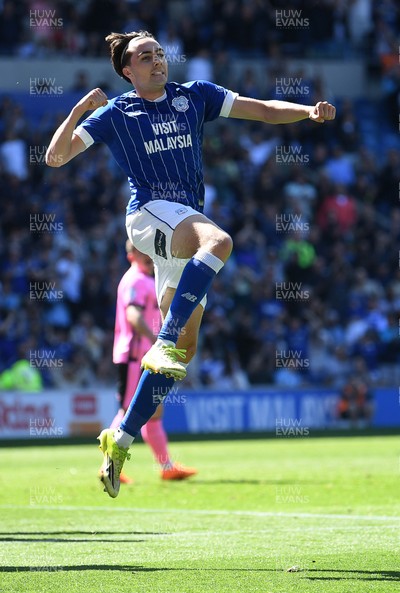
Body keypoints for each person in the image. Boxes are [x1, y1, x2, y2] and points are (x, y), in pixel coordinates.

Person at [46, 30, 336, 498]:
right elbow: (55, 158)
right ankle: (160, 342)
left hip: (181, 230)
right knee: (219, 241)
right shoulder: (117, 112)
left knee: (183, 351)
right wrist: (80, 110)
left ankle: (118, 440)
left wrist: (307, 111)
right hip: (148, 218)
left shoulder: (194, 97)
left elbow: (259, 109)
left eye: (159, 53)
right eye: (145, 56)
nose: (158, 60)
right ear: (127, 70)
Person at [111, 239, 197, 482]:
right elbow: (132, 314)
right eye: (140, 251)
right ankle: (108, 463)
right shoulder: (135, 280)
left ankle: (166, 466)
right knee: (129, 409)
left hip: (146, 354)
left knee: (153, 410)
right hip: (134, 354)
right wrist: (158, 339)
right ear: (131, 256)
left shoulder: (147, 279)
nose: (147, 256)